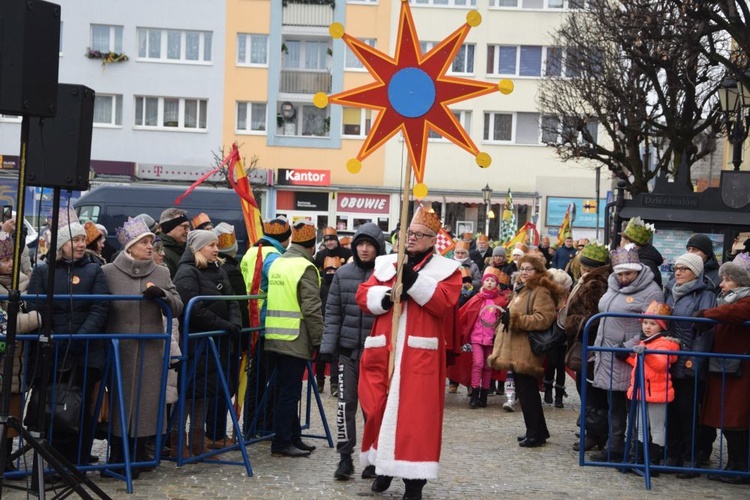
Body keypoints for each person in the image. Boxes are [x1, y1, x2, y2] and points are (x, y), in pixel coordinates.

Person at [355, 208, 461, 500]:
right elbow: (363, 295)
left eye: (418, 235)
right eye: (408, 234)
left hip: (419, 354)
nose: (411, 239)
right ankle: (383, 466)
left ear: (432, 240)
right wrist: (386, 297)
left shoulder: (447, 271)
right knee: (376, 408)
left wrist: (414, 282)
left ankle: (415, 481)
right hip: (384, 349)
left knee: (417, 418)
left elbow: (443, 304)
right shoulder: (387, 263)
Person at [101, 217, 183, 476]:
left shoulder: (161, 272)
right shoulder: (108, 273)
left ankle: (138, 457)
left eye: (151, 242)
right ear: (130, 246)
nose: (150, 246)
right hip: (118, 349)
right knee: (118, 404)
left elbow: (179, 305)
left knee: (146, 405)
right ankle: (116, 457)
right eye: (144, 242)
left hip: (150, 349)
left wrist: (163, 296)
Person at [27, 221, 110, 466]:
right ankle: (53, 461)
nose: (82, 244)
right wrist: (53, 336)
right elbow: (36, 307)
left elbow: (100, 306)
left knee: (80, 407)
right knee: (51, 405)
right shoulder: (43, 271)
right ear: (61, 245)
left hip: (85, 350)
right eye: (75, 240)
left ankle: (78, 461)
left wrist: (79, 337)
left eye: (84, 240)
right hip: (52, 349)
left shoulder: (95, 270)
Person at [320, 223, 385, 481]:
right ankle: (345, 458)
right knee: (345, 405)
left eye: (369, 244)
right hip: (347, 352)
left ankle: (372, 459)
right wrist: (327, 346)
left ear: (378, 247)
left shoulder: (385, 275)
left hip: (376, 353)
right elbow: (333, 312)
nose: (364, 249)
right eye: (360, 244)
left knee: (374, 408)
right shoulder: (343, 274)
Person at [590, 245, 663, 462]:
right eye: (620, 273)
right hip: (607, 353)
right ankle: (614, 447)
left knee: (633, 408)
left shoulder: (652, 291)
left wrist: (628, 346)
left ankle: (633, 450)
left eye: (628, 273)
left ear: (638, 271)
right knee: (614, 406)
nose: (623, 278)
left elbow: (652, 325)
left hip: (629, 354)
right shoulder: (612, 287)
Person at [173, 230, 242, 458]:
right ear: (197, 248)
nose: (216, 249)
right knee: (189, 391)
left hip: (215, 343)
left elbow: (232, 301)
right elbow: (193, 309)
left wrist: (233, 323)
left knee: (206, 392)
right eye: (211, 245)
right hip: (195, 342)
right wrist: (223, 324)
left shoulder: (219, 270)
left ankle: (197, 439)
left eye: (216, 244)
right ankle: (177, 440)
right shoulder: (186, 272)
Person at [265, 220, 323, 457]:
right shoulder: (306, 267)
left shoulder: (279, 262)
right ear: (312, 247)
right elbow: (311, 308)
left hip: (273, 334)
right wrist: (319, 340)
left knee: (284, 390)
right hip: (294, 336)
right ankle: (281, 443)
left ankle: (293, 437)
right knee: (290, 393)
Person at [493, 254, 561, 448]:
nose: (523, 272)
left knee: (527, 392)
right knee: (525, 392)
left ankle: (535, 434)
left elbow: (544, 318)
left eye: (528, 269)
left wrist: (516, 320)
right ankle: (538, 430)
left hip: (527, 349)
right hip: (516, 347)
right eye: (521, 268)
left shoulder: (540, 291)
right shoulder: (522, 289)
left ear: (538, 271)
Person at [697, 252, 750, 484]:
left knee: (735, 421)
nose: (722, 284)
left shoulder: (745, 300)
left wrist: (706, 314)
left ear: (741, 281)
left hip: (740, 370)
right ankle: (734, 466)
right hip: (726, 368)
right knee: (729, 421)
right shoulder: (728, 298)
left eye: (728, 279)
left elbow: (734, 313)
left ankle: (739, 468)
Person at [663, 252, 717, 475]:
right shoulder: (670, 291)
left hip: (688, 361)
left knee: (688, 413)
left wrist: (694, 362)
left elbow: (705, 332)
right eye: (676, 268)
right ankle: (672, 455)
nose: (678, 272)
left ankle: (690, 458)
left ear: (695, 272)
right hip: (669, 360)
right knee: (671, 411)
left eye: (684, 269)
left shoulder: (705, 294)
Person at [239, 217, 291, 435]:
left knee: (256, 377)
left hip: (252, 319)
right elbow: (279, 279)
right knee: (264, 378)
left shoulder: (252, 251)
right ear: (286, 239)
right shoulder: (273, 256)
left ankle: (252, 425)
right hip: (264, 320)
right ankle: (259, 425)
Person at [0, 232, 41, 473]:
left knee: (13, 410)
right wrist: (36, 317)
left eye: (10, 259)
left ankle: (6, 457)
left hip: (18, 362)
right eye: (4, 260)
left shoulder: (24, 281)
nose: (9, 264)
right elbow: (6, 324)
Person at [563, 242, 611, 451]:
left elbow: (593, 318)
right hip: (587, 343)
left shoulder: (595, 284)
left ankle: (595, 434)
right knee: (587, 389)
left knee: (590, 390)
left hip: (589, 345)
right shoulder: (590, 280)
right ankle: (593, 431)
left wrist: (569, 322)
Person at [622, 301, 679, 470]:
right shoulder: (645, 342)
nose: (647, 327)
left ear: (661, 326)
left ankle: (653, 461)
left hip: (656, 392)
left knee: (656, 427)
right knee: (640, 426)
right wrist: (626, 356)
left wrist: (645, 354)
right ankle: (639, 459)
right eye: (645, 323)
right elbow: (641, 364)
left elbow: (660, 364)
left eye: (652, 324)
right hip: (642, 389)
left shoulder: (665, 343)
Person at [459, 267, 510, 409]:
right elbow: (467, 314)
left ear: (496, 284)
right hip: (476, 337)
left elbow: (502, 318)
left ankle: (484, 395)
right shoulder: (477, 298)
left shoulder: (500, 301)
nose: (489, 283)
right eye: (487, 280)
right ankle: (475, 392)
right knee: (478, 363)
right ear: (482, 283)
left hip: (491, 339)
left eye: (492, 281)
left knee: (488, 367)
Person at [544, 268, 572, 408]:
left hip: (564, 335)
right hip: (551, 334)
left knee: (561, 365)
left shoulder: (570, 298)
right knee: (551, 362)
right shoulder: (547, 297)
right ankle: (548, 387)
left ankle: (559, 395)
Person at [316, 255, 342, 397]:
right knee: (321, 356)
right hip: (322, 322)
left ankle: (334, 384)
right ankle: (319, 382)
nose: (331, 273)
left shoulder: (339, 284)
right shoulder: (321, 285)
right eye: (329, 270)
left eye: (334, 271)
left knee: (334, 356)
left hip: (334, 323)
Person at [619, 217, 664, 288]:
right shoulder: (640, 260)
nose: (620, 244)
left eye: (621, 240)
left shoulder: (645, 265)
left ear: (627, 243)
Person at [158, 208, 190, 278]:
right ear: (169, 227)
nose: (187, 231)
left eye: (188, 227)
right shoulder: (160, 252)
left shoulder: (185, 249)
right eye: (184, 227)